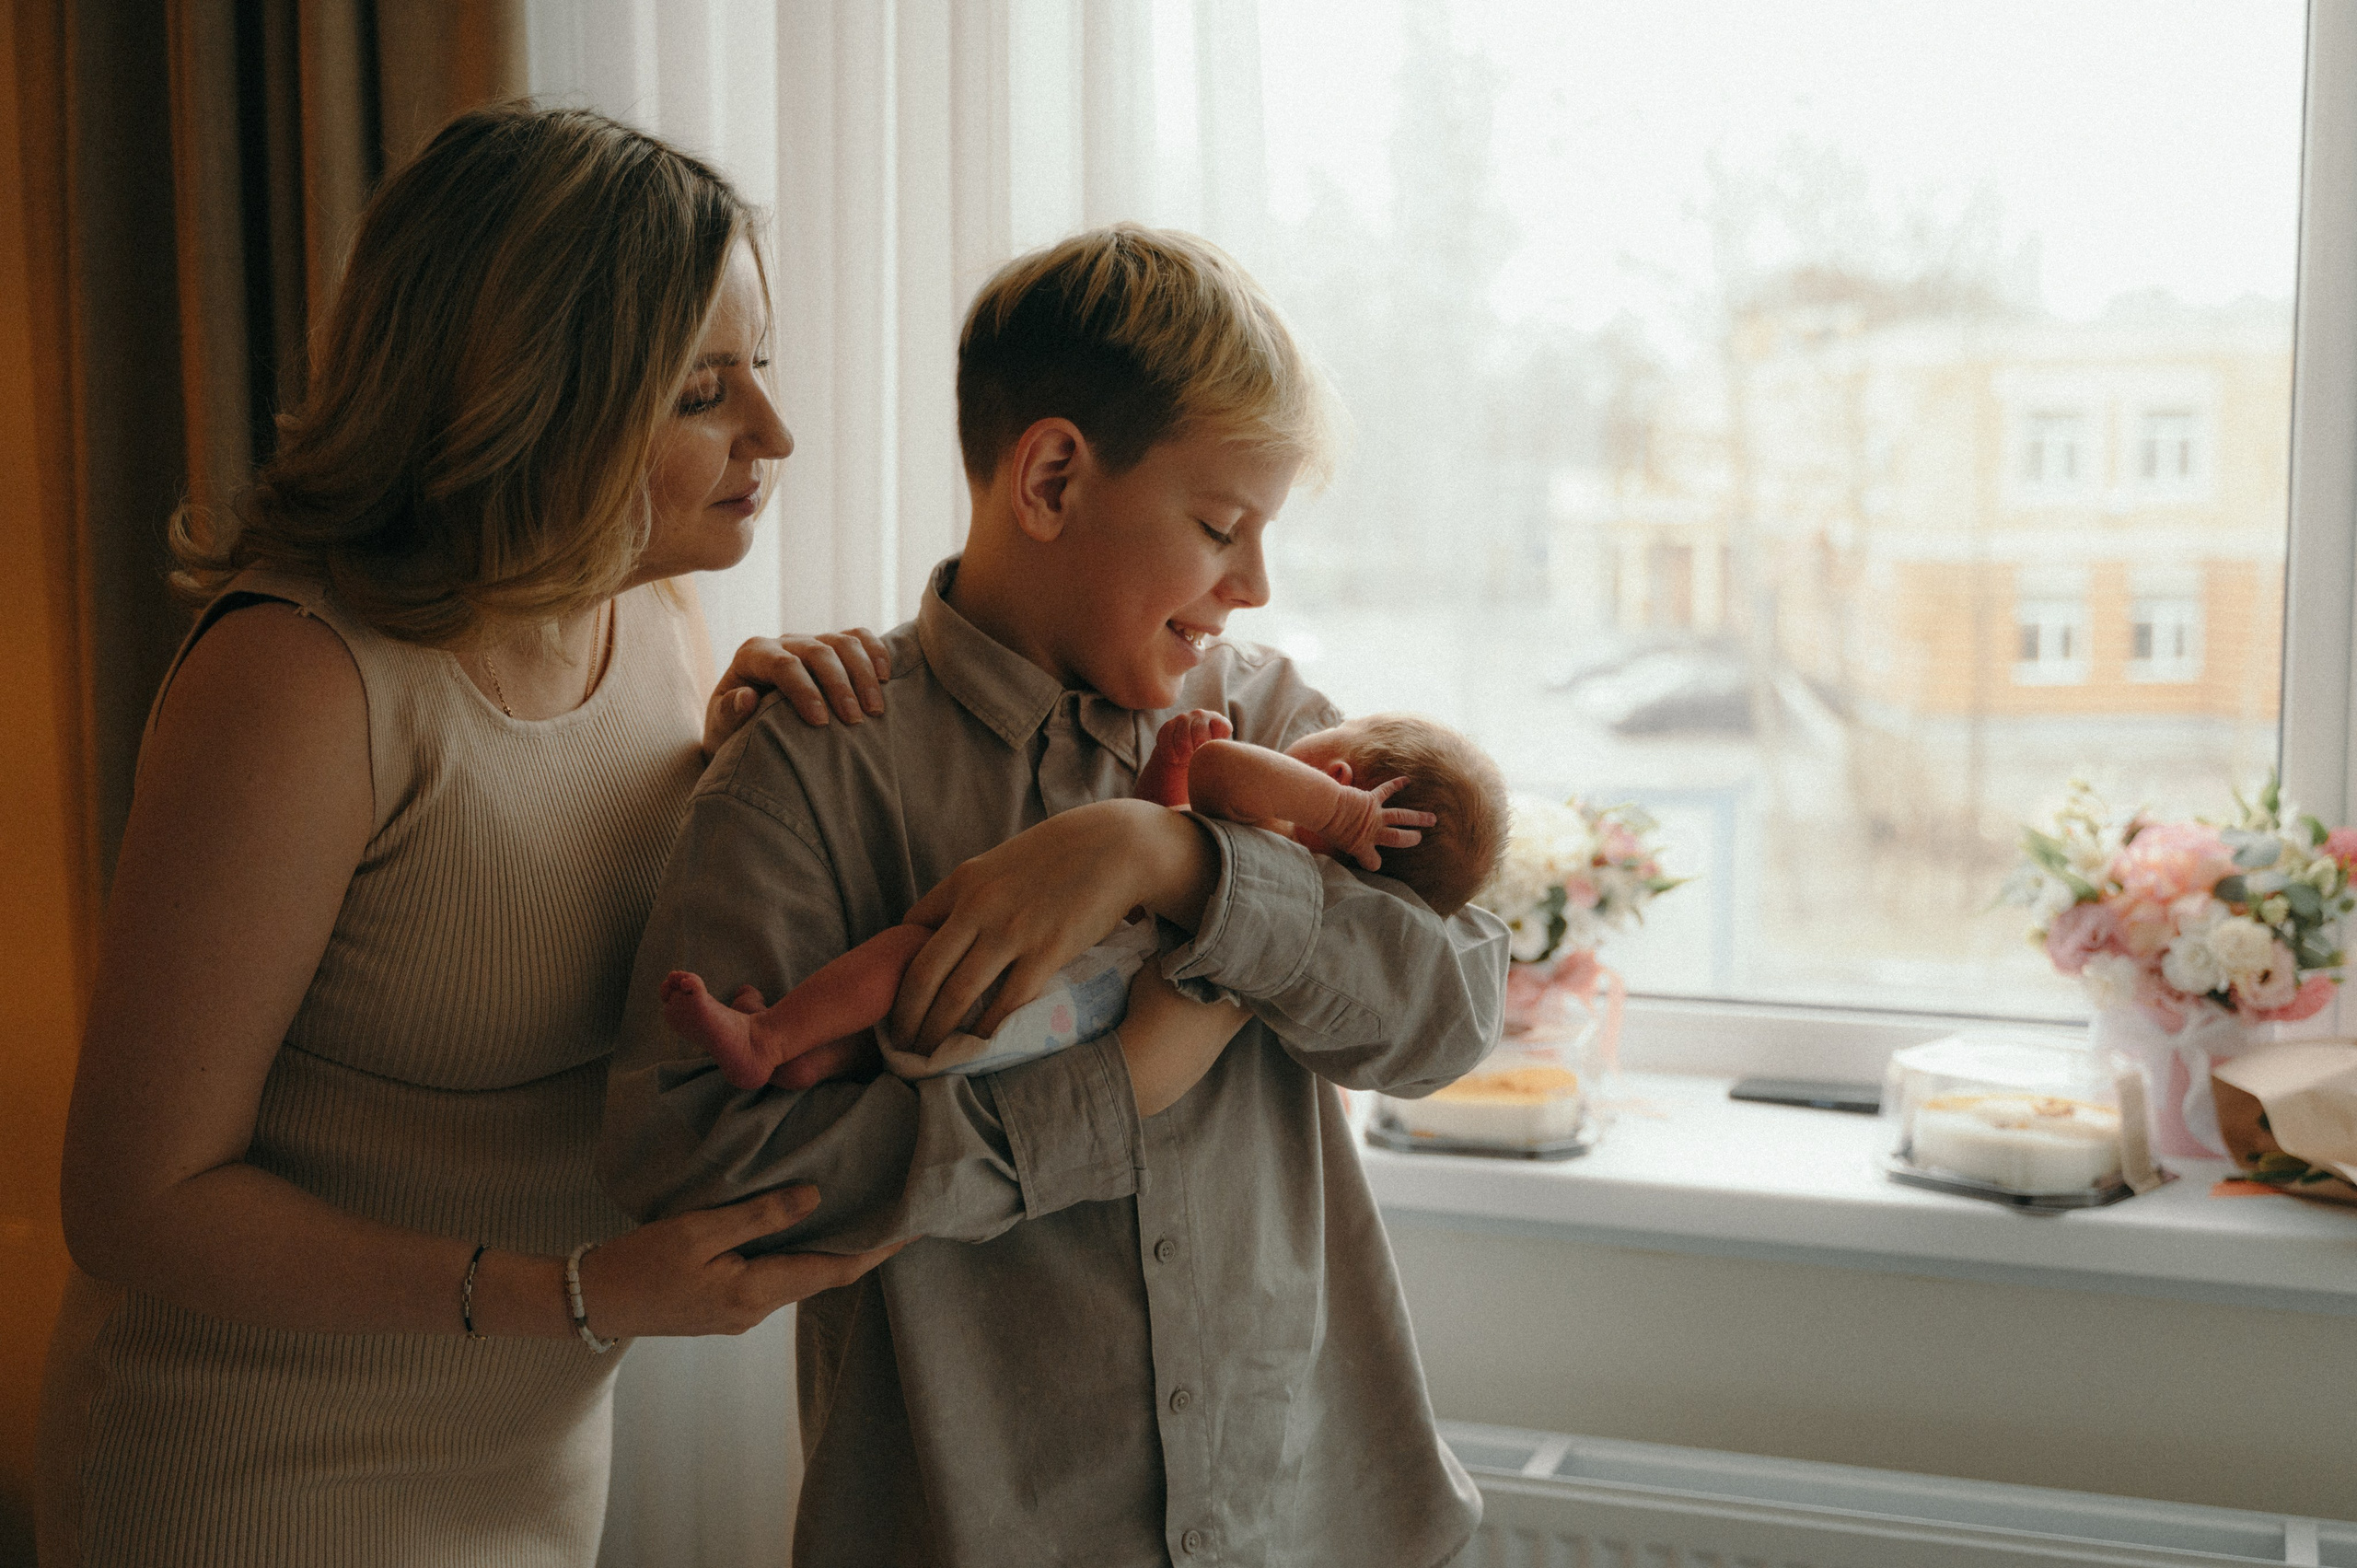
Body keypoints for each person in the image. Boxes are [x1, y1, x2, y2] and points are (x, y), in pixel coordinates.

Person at [37, 103, 903, 1568]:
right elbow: (135, 1201)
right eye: (702, 391)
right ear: (533, 395)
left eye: (761, 369)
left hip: (531, 1468)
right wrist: (575, 1289)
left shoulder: (652, 620)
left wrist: (735, 777)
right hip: (252, 1485)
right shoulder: (301, 681)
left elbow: (558, 923)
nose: (774, 434)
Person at [598, 224, 1512, 1567]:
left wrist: (1176, 859)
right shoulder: (816, 766)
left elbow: (1451, 1016)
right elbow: (701, 1177)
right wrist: (1101, 1097)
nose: (1255, 585)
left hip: (1311, 1519)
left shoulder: (1272, 720)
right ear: (1053, 476)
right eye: (1220, 526)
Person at [660, 707, 1506, 1090]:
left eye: (1321, 749)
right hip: (1067, 1029)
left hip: (1060, 995)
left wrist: (1331, 809)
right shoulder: (1274, 907)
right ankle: (824, 1059)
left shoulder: (1290, 830)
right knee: (923, 1027)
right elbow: (1164, 821)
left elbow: (1206, 789)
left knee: (918, 952)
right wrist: (1164, 777)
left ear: (1340, 777)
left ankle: (773, 1037)